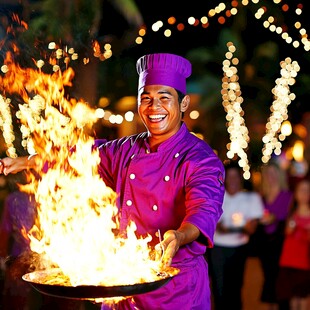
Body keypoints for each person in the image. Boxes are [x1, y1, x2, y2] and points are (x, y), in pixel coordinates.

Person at [0, 53, 225, 310]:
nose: (154, 107)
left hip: (174, 290)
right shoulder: (124, 149)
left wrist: (180, 235)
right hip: (122, 285)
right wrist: (25, 161)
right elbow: (77, 155)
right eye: (146, 99)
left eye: (165, 98)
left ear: (183, 103)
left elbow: (204, 209)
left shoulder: (200, 158)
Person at [207, 160, 264, 310]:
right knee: (219, 289)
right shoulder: (216, 198)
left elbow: (251, 228)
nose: (232, 181)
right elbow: (214, 225)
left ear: (241, 178)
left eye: (235, 177)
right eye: (229, 177)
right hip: (218, 248)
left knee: (236, 288)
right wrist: (236, 227)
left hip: (239, 249)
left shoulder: (251, 198)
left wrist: (231, 228)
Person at [257, 160, 293, 310]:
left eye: (274, 173)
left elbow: (289, 217)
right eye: (268, 174)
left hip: (281, 243)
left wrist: (275, 218)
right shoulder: (261, 197)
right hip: (265, 243)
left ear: (280, 175)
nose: (271, 177)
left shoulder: (287, 196)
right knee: (268, 278)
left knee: (280, 279)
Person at [276, 178, 310, 310]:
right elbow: (286, 232)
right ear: (295, 193)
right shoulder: (292, 212)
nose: (304, 194)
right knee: (291, 298)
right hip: (288, 261)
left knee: (303, 298)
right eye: (301, 190)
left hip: (303, 263)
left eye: (307, 191)